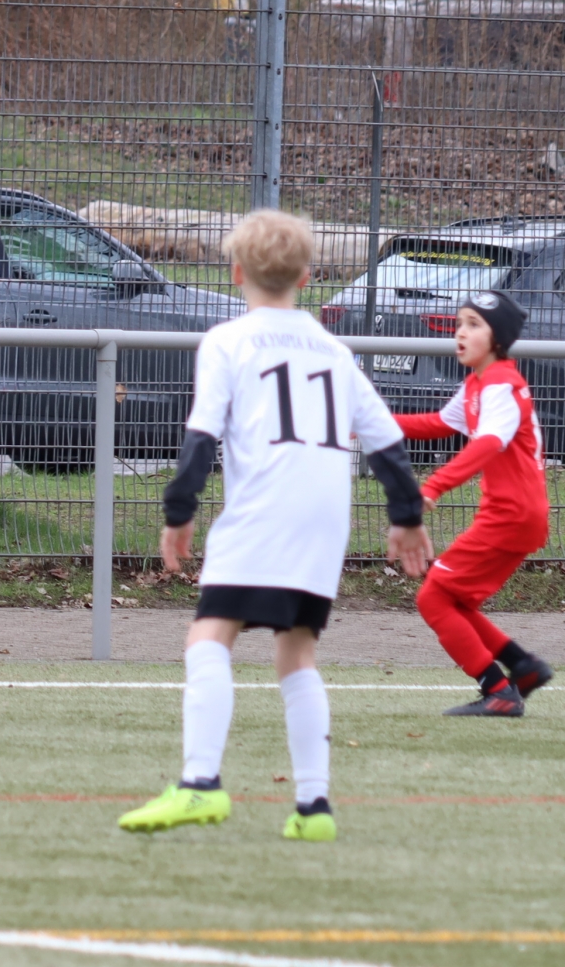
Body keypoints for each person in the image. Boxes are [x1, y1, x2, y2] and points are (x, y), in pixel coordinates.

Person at [118, 210, 430, 843]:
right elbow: (387, 444)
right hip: (323, 520)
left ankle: (200, 783)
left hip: (262, 510)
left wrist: (179, 513)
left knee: (209, 636)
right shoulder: (334, 351)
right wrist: (406, 518)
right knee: (297, 651)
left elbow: (201, 437)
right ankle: (314, 806)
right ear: (307, 277)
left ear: (236, 273)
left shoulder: (228, 341)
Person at [393, 290, 553, 717]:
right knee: (453, 601)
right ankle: (523, 666)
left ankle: (498, 692)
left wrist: (433, 487)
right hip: (515, 514)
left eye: (473, 324)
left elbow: (487, 443)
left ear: (497, 338)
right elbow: (438, 423)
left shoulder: (501, 384)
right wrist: (373, 422)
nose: (460, 333)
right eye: (459, 323)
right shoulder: (479, 383)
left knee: (433, 599)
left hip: (511, 515)